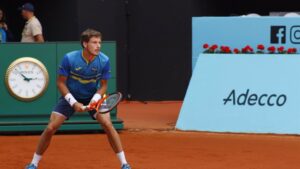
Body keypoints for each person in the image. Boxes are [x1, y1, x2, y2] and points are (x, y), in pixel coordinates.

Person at [25, 29, 131, 169]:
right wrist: (73, 103)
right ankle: (34, 163)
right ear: (85, 44)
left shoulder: (104, 60)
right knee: (51, 127)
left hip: (94, 96)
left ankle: (124, 163)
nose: (98, 45)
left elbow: (104, 86)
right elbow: (60, 83)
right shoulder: (69, 58)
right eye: (94, 42)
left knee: (108, 125)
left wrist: (94, 99)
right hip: (71, 96)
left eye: (100, 42)